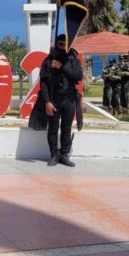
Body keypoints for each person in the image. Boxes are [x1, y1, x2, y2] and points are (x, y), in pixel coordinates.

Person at [40, 34, 82, 167]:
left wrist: (61, 66)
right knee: (53, 128)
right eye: (60, 44)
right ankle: (54, 155)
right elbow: (44, 83)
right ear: (56, 44)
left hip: (69, 99)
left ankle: (64, 155)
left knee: (66, 128)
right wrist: (47, 101)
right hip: (54, 99)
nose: (63, 46)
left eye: (65, 44)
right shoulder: (49, 60)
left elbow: (78, 75)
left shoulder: (73, 59)